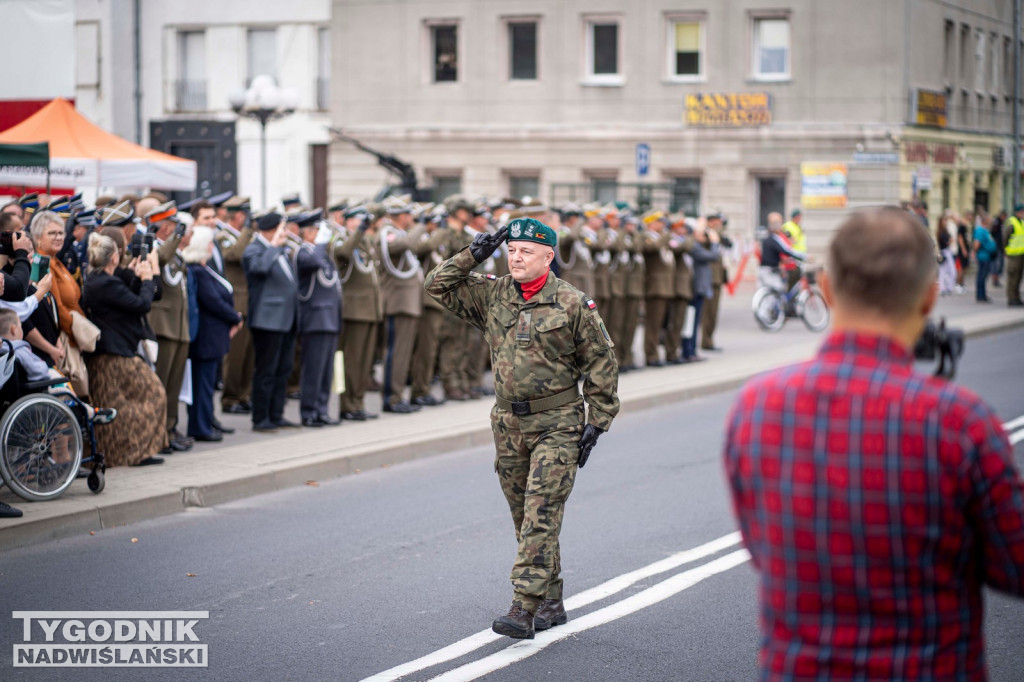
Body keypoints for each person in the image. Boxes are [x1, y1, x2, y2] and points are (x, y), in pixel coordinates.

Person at [724, 206, 1024, 680]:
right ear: (929, 297)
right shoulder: (959, 421)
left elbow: (762, 549)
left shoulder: (757, 407)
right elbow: (1014, 565)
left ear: (826, 287)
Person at [426, 217, 619, 640]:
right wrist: (472, 254)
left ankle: (523, 606)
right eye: (511, 250)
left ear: (548, 257)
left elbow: (602, 364)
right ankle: (551, 599)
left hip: (558, 423)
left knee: (541, 511)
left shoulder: (572, 303)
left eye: (526, 251)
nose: (515, 257)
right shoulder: (493, 294)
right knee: (524, 515)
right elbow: (436, 285)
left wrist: (598, 421)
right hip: (509, 423)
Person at [81, 233, 167, 466]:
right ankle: (127, 454)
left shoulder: (101, 279)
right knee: (151, 394)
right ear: (114, 257)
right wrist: (148, 279)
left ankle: (130, 453)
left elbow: (128, 298)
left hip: (114, 352)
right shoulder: (105, 283)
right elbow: (141, 304)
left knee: (118, 407)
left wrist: (138, 276)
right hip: (113, 355)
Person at [141, 201, 194, 453]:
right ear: (162, 227)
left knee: (174, 385)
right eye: (172, 226)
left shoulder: (174, 250)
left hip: (178, 326)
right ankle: (157, 433)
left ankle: (170, 429)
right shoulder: (152, 247)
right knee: (160, 383)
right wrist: (177, 237)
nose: (175, 231)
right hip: (163, 326)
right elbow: (160, 260)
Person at [183, 227, 242, 442]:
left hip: (213, 337)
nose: (211, 247)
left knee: (206, 385)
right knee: (202, 385)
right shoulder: (197, 271)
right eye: (208, 243)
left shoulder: (205, 269)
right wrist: (235, 317)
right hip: (205, 338)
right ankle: (199, 427)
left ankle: (205, 422)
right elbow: (212, 301)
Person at [243, 212, 300, 433]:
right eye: (281, 229)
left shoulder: (278, 249)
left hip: (286, 318)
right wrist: (274, 247)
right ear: (269, 231)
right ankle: (261, 418)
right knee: (266, 370)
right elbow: (259, 269)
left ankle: (276, 415)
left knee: (283, 369)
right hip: (267, 320)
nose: (286, 233)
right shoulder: (255, 249)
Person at [331, 206, 382, 421]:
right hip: (353, 310)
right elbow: (342, 254)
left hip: (370, 308)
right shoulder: (339, 238)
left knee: (364, 360)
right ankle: (347, 405)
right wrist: (358, 232)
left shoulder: (366, 241)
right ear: (347, 221)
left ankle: (358, 402)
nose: (361, 223)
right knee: (352, 360)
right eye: (356, 220)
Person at [294, 210, 343, 427]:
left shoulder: (321, 254)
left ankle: (322, 410)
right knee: (313, 369)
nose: (320, 235)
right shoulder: (302, 252)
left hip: (330, 318)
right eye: (316, 230)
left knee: (325, 371)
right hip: (314, 320)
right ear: (308, 232)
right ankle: (309, 412)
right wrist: (321, 244)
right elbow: (312, 263)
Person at [219, 196, 256, 414]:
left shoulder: (246, 236)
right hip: (235, 302)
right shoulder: (224, 236)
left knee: (249, 354)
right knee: (235, 355)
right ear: (239, 215)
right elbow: (235, 255)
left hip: (249, 301)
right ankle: (230, 398)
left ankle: (243, 395)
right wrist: (247, 233)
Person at [640, 210, 674, 367]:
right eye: (659, 222)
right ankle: (651, 355)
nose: (662, 225)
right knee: (652, 324)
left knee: (660, 323)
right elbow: (652, 249)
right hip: (654, 287)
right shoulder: (648, 237)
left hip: (665, 287)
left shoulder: (661, 239)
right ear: (650, 223)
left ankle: (655, 352)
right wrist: (666, 236)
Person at [972, 211, 998, 303]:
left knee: (984, 276)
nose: (990, 221)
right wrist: (974, 252)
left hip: (987, 256)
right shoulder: (980, 230)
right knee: (981, 276)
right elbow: (976, 243)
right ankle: (980, 295)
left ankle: (982, 294)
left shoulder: (985, 230)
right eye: (989, 219)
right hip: (983, 257)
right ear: (985, 220)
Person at [1005, 203, 1024, 307]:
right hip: (1013, 255)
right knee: (1012, 278)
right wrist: (1006, 250)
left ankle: (1017, 298)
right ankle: (1011, 299)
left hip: (1021, 255)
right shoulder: (1011, 223)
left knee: (1018, 277)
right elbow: (1005, 239)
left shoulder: (1021, 223)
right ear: (1017, 212)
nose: (1023, 213)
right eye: (1021, 212)